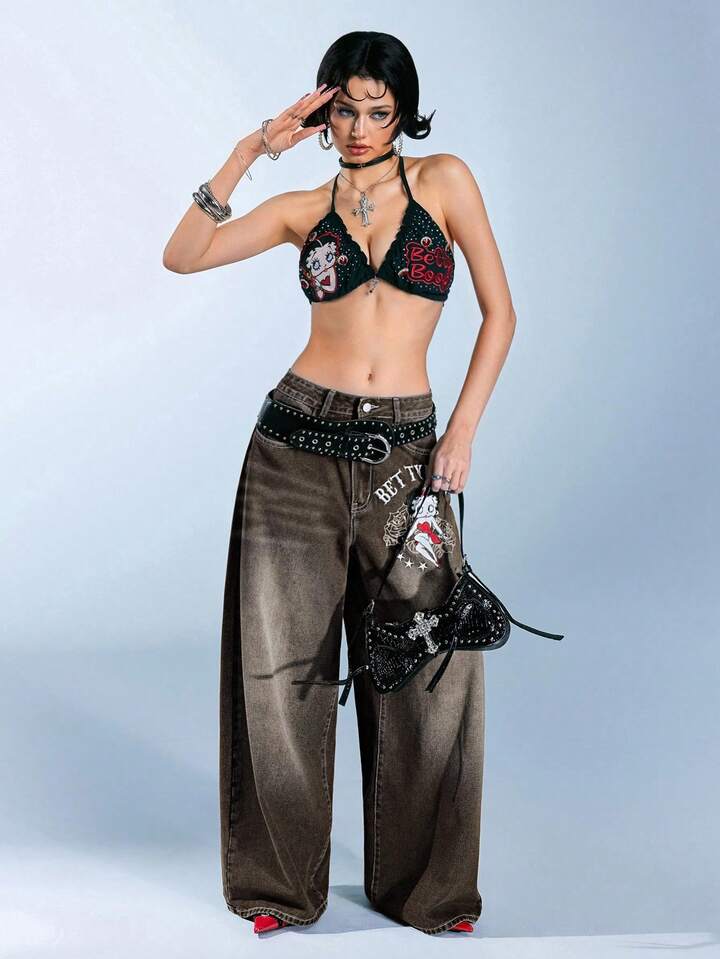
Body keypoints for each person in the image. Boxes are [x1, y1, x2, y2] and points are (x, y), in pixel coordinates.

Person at [163, 30, 516, 937]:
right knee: (281, 668)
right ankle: (279, 887)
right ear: (323, 109)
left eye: (379, 111)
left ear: (404, 112)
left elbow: (500, 313)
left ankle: (428, 890)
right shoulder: (299, 207)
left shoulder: (445, 183)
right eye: (346, 110)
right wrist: (251, 148)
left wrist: (461, 431)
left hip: (408, 453)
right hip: (294, 448)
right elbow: (184, 254)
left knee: (431, 664)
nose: (360, 128)